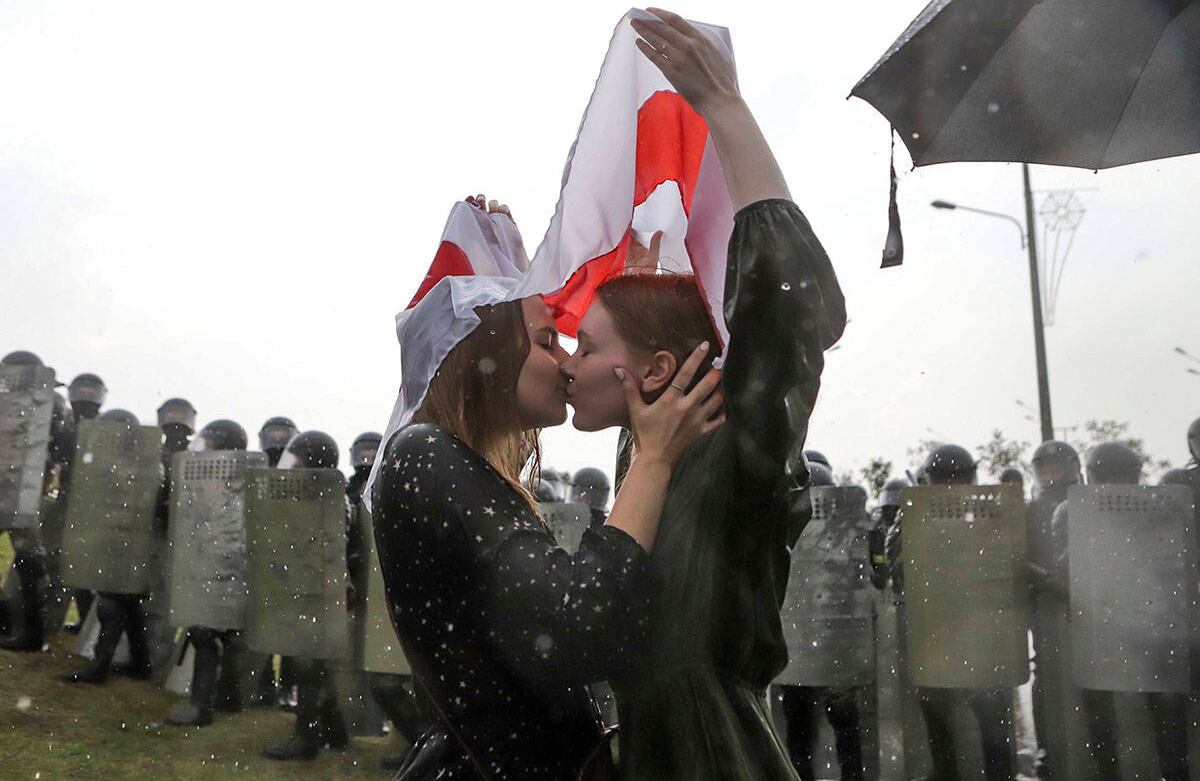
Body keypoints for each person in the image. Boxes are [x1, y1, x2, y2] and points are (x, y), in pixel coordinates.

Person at [559, 10, 845, 778]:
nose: (567, 363)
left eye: (586, 346)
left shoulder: (726, 444)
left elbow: (788, 307)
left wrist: (725, 110)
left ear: (653, 372)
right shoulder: (655, 446)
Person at [373, 188, 726, 777]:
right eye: (546, 340)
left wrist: (636, 345)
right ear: (486, 346)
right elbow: (579, 625)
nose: (565, 363)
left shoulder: (448, 462)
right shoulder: (426, 454)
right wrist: (655, 461)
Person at [1048, 442, 1190, 781]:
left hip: (1135, 625)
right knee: (1121, 716)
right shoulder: (1074, 512)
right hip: (1122, 626)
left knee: (1156, 714)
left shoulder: (1075, 510)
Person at [907, 445, 1016, 781]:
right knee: (949, 726)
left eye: (957, 478)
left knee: (987, 729)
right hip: (946, 635)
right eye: (946, 479)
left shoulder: (989, 514)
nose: (951, 486)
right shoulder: (916, 517)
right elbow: (901, 574)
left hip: (973, 636)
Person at [261, 430, 354, 761]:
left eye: (298, 461)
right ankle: (334, 731)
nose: (292, 468)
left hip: (319, 592)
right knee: (316, 666)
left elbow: (321, 549)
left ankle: (306, 740)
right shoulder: (317, 496)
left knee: (308, 665)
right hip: (316, 591)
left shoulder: (328, 498)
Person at [779, 460, 867, 781]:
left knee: (801, 740)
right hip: (824, 653)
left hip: (805, 653)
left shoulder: (787, 535)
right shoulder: (844, 538)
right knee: (834, 736)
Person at [165, 419, 252, 725]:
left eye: (210, 443)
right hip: (219, 566)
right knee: (224, 635)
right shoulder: (220, 477)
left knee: (204, 631)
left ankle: (201, 706)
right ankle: (229, 698)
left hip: (225, 567)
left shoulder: (233, 480)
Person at [62, 409, 157, 683]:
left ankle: (100, 665)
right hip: (117, 538)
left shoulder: (144, 463)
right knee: (128, 603)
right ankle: (141, 664)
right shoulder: (123, 461)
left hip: (129, 540)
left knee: (112, 602)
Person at [0, 351, 72, 652]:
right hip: (17, 488)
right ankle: (16, 624)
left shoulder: (50, 405)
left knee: (30, 563)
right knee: (29, 562)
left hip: (24, 490)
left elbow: (59, 447)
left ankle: (31, 632)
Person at [62, 372, 107, 629]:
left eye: (93, 390)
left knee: (84, 565)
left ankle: (88, 621)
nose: (87, 395)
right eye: (84, 390)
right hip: (68, 497)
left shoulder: (103, 429)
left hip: (92, 504)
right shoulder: (66, 425)